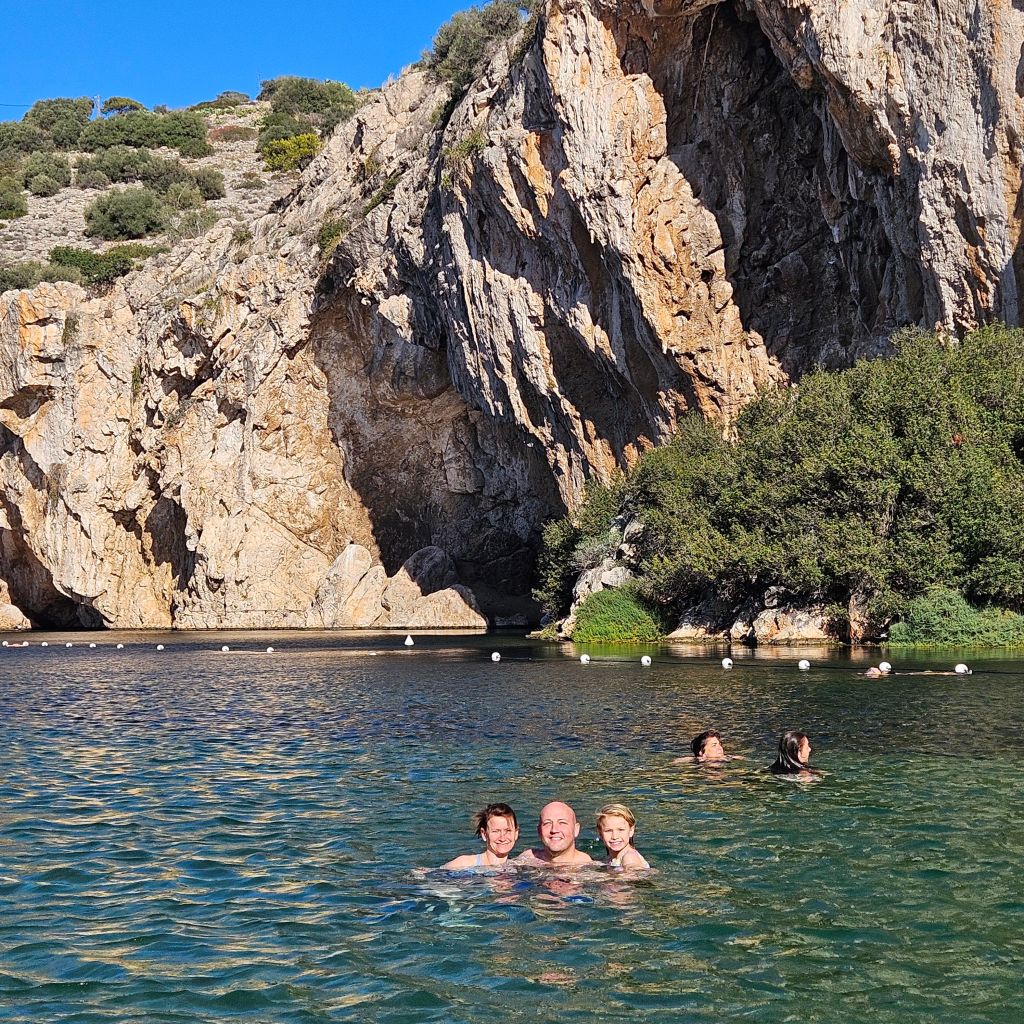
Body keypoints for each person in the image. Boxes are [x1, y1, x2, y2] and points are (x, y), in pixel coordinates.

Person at [514, 801, 595, 867]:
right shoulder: (527, 860)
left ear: (576, 829)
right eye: (547, 823)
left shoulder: (587, 867)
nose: (554, 830)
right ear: (539, 831)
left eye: (562, 823)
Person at [442, 802, 520, 870]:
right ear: (484, 834)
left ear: (516, 833)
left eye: (508, 831)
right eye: (496, 831)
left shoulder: (519, 864)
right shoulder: (463, 864)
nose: (502, 838)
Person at [596, 803, 650, 870]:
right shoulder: (612, 858)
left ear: (631, 831)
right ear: (600, 833)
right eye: (608, 831)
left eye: (621, 830)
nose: (615, 837)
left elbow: (632, 875)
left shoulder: (629, 858)